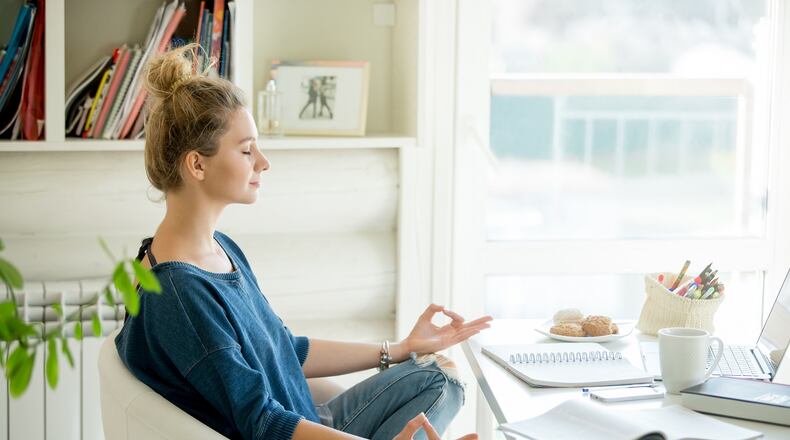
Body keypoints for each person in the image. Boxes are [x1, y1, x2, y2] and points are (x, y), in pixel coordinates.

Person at [115, 43, 491, 440]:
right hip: (288, 433)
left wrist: (399, 348)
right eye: (247, 150)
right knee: (443, 385)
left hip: (310, 417)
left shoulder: (216, 248)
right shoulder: (180, 293)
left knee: (438, 377)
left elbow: (285, 350)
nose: (263, 162)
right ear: (197, 164)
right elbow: (262, 422)